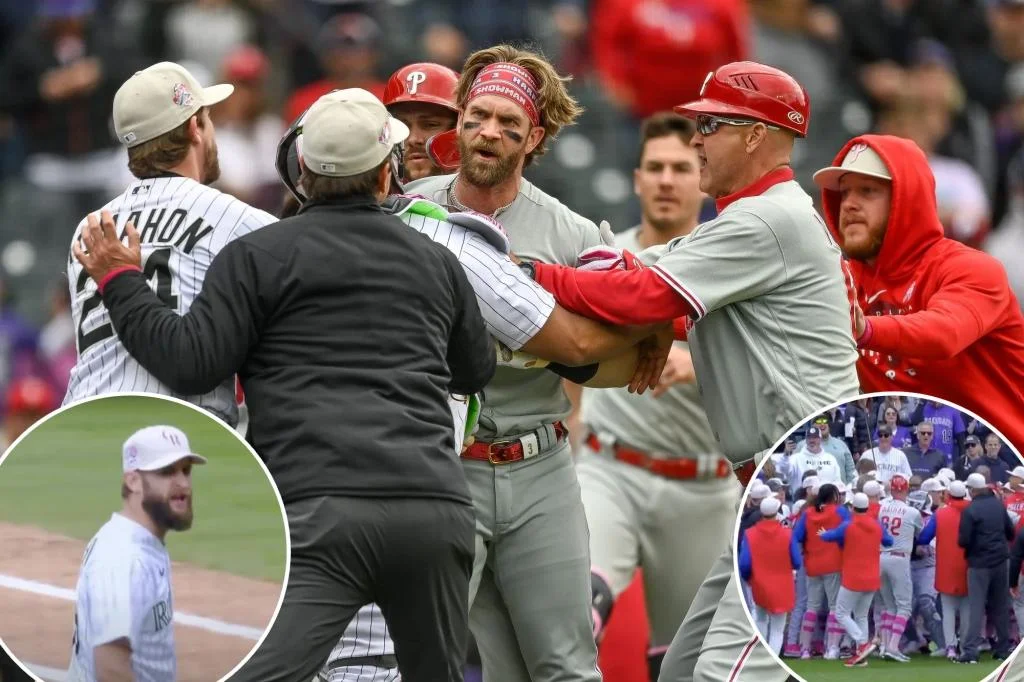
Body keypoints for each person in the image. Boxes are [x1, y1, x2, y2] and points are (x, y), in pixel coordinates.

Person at [73, 88, 497, 682]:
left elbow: (191, 362)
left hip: (320, 514)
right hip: (431, 510)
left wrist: (121, 279)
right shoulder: (437, 260)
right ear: (386, 176)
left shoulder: (256, 255)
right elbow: (475, 372)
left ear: (300, 169)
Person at [512, 59, 860, 682]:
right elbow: (647, 297)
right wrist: (649, 320)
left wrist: (527, 272)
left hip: (804, 490)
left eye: (710, 125)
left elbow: (636, 294)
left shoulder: (766, 218)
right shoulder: (752, 216)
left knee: (719, 675)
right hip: (774, 487)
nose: (695, 137)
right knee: (683, 669)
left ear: (755, 134)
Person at [403, 44, 622, 682]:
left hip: (539, 463)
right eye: (476, 117)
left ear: (536, 138)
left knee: (565, 665)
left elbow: (609, 358)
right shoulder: (409, 209)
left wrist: (605, 343)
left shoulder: (574, 235)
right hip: (442, 463)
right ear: (460, 119)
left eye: (508, 124)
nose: (488, 133)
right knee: (428, 659)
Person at [566, 112, 739, 681]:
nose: (667, 179)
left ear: (703, 178)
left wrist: (702, 363)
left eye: (682, 168)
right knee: (576, 606)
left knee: (686, 662)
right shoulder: (607, 258)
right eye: (656, 167)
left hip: (703, 485)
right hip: (610, 466)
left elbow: (771, 379)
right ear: (637, 179)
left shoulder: (735, 269)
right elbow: (568, 346)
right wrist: (569, 425)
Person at [62, 61, 277, 427]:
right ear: (195, 127)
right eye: (208, 120)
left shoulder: (89, 227)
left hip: (84, 421)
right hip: (187, 426)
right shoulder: (242, 220)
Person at [813, 134, 1024, 452]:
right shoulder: (841, 280)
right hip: (919, 468)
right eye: (844, 192)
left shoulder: (972, 268)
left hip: (1009, 469)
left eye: (868, 191)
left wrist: (865, 329)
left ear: (905, 199)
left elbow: (945, 333)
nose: (850, 204)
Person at [66, 425, 207, 682]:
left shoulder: (139, 540)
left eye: (186, 470)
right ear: (133, 481)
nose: (183, 484)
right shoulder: (124, 558)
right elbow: (110, 665)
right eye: (167, 472)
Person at [820, 492, 894, 668]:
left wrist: (823, 533)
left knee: (841, 613)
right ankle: (862, 655)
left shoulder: (848, 525)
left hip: (853, 577)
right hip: (871, 577)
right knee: (860, 615)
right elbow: (889, 541)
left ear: (853, 508)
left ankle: (862, 643)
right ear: (867, 507)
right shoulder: (876, 525)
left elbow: (828, 537)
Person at [957, 472, 1016, 663]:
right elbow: (1010, 531)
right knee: (1000, 607)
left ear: (972, 490)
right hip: (1001, 560)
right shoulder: (998, 506)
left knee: (976, 607)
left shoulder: (970, 510)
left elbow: (963, 540)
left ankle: (970, 651)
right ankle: (1003, 649)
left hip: (979, 563)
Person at [791, 483, 850, 660]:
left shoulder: (807, 513)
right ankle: (832, 647)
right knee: (835, 607)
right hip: (834, 563)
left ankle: (805, 648)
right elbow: (849, 532)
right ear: (834, 496)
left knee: (811, 607)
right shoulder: (840, 512)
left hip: (813, 564)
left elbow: (797, 536)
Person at [739, 497, 802, 655]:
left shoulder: (750, 534)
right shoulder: (787, 534)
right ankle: (771, 661)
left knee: (760, 621)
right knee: (777, 630)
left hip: (759, 585)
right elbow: (797, 561)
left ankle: (758, 655)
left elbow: (745, 564)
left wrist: (750, 579)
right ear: (777, 512)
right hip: (782, 586)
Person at [919, 478, 971, 659]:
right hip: (968, 565)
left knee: (948, 609)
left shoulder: (941, 513)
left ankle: (950, 647)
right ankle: (964, 645)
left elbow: (924, 537)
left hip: (946, 565)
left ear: (948, 494)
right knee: (966, 608)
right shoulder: (972, 511)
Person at [382, 62, 460, 181]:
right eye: (402, 126)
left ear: (460, 127)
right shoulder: (373, 196)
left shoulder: (488, 195)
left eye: (430, 125)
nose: (414, 139)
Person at [875, 474, 923, 661]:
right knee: (904, 607)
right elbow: (922, 533)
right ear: (906, 490)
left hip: (881, 556)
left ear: (891, 489)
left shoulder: (881, 508)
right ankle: (893, 647)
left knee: (889, 605)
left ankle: (886, 646)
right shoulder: (912, 512)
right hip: (899, 557)